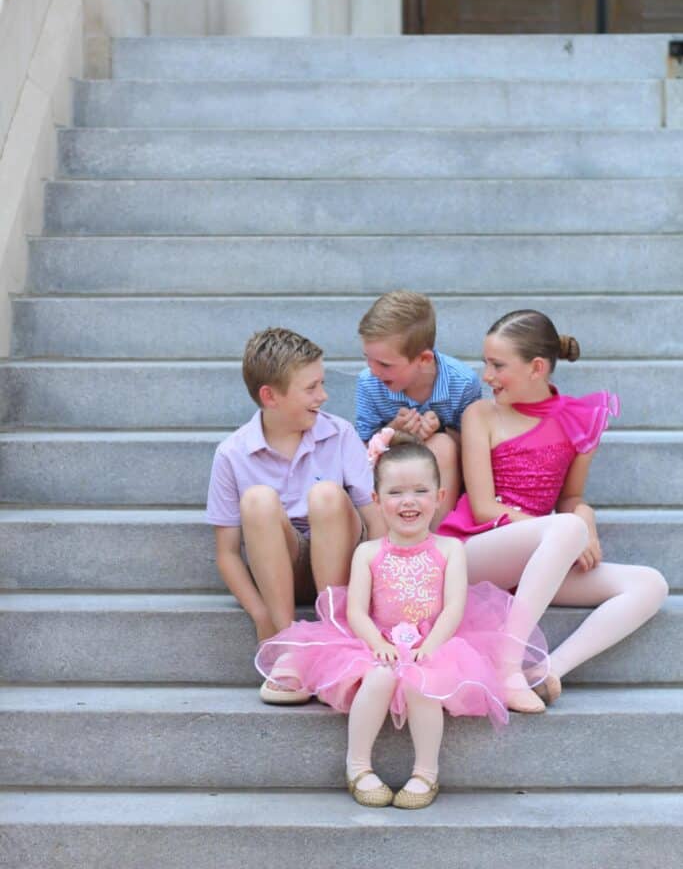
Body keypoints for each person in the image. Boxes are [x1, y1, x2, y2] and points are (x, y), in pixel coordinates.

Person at [255, 432, 548, 809]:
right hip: (377, 643)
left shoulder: (450, 550)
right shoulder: (367, 552)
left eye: (420, 491)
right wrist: (378, 644)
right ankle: (358, 766)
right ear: (377, 501)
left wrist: (430, 645)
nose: (408, 501)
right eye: (395, 493)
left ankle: (426, 772)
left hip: (435, 643)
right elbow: (357, 610)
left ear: (439, 498)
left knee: (422, 683)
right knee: (377, 678)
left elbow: (454, 606)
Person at [438, 309, 669, 713]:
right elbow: (483, 506)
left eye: (497, 365)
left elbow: (570, 498)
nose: (486, 375)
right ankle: (508, 665)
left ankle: (546, 670)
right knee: (565, 529)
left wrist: (585, 520)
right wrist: (567, 527)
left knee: (650, 584)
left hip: (545, 556)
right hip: (478, 549)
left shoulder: (580, 420)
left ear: (537, 368)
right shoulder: (481, 415)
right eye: (486, 363)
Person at [206, 327, 385, 703]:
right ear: (270, 396)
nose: (323, 396)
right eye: (311, 388)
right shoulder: (233, 453)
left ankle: (334, 632)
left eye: (321, 384)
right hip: (278, 564)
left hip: (339, 561)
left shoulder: (339, 434)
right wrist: (260, 615)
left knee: (325, 495)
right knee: (257, 500)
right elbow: (226, 554)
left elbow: (377, 521)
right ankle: (290, 644)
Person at [356, 290, 481, 524]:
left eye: (384, 364)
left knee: (442, 444)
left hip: (442, 478)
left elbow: (473, 449)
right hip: (392, 474)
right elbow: (361, 450)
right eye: (367, 359)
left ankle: (437, 538)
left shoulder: (462, 382)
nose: (373, 370)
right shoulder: (369, 383)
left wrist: (441, 430)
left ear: (423, 359)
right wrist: (393, 431)